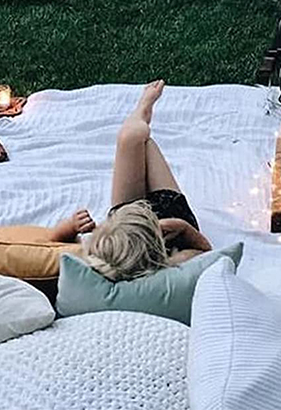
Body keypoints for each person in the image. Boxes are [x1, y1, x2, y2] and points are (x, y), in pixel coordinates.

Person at [53, 79, 212, 280]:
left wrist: (70, 226)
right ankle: (142, 112)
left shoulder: (103, 254)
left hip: (125, 219)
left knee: (131, 138)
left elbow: (54, 242)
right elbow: (208, 253)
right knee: (140, 141)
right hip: (169, 212)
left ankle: (142, 112)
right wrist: (183, 228)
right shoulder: (175, 263)